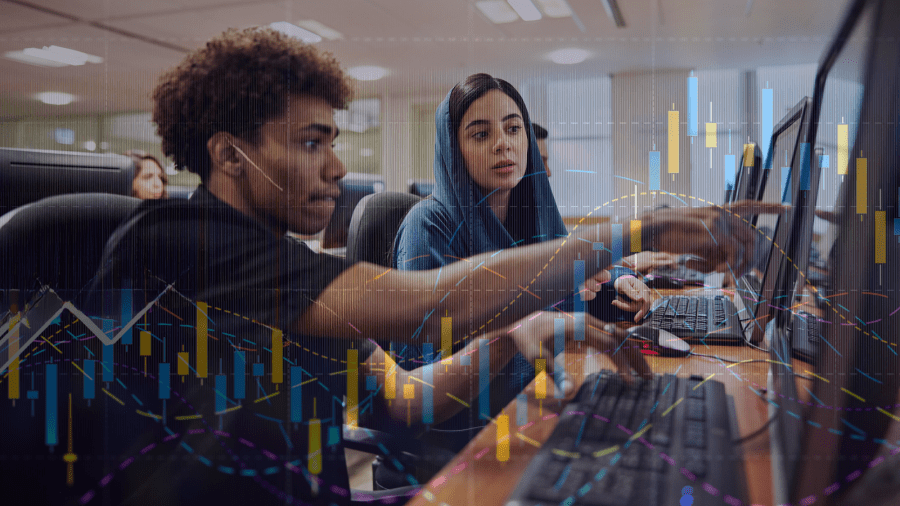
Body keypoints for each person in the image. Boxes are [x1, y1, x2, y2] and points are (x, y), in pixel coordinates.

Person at [52, 28, 776, 506]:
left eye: (333, 141)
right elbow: (425, 303)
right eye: (311, 143)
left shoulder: (288, 270)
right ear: (228, 155)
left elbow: (401, 397)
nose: (337, 168)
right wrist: (634, 232)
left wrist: (528, 338)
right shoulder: (178, 242)